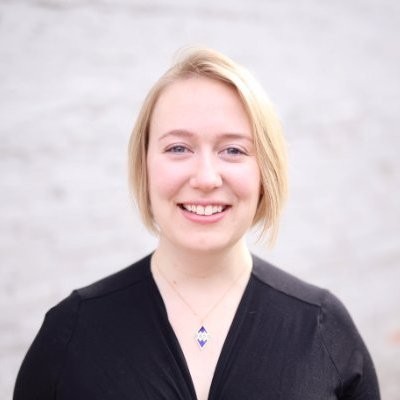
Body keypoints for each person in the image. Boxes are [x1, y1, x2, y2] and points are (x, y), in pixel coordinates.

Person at [14, 47, 380, 400]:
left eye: (233, 150)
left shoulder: (321, 330)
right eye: (178, 148)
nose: (206, 178)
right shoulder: (72, 333)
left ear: (265, 171)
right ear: (144, 164)